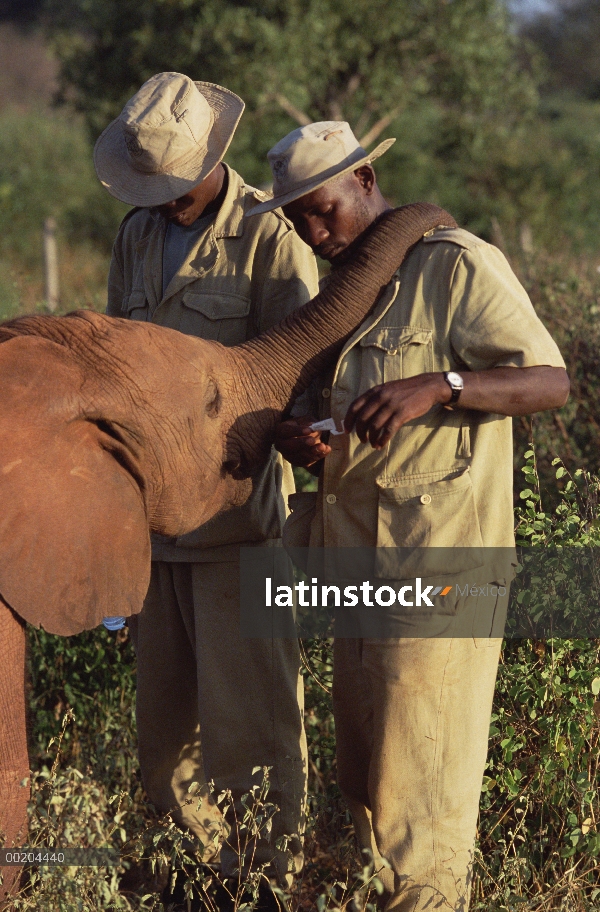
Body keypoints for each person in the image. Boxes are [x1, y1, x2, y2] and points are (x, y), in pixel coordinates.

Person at [249, 121, 570, 911]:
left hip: (442, 573)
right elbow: (355, 424)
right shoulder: (348, 293)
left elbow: (549, 381)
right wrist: (305, 439)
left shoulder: (456, 266)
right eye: (299, 223)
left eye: (324, 211)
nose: (315, 234)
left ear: (364, 181)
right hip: (355, 574)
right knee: (364, 780)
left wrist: (444, 385)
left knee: (420, 794)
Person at [94, 73, 319, 905]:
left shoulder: (268, 235)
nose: (165, 198)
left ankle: (261, 887)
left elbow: (301, 368)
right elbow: (116, 369)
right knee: (164, 746)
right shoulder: (135, 236)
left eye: (175, 182)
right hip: (154, 539)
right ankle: (190, 889)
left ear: (211, 160)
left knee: (252, 736)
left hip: (241, 531)